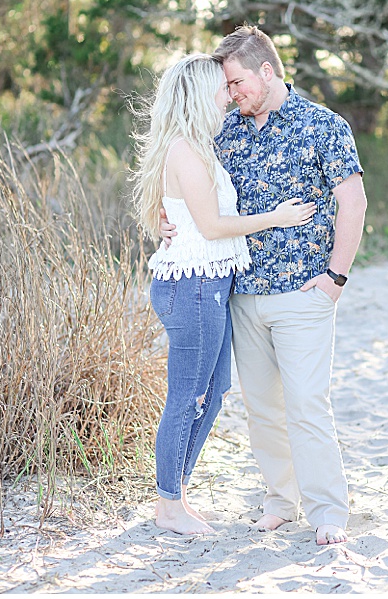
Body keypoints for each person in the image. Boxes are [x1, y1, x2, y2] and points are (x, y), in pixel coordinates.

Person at [161, 26, 367, 545]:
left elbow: (354, 202)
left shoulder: (324, 125)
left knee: (306, 403)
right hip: (241, 292)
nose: (232, 94)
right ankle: (281, 498)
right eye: (227, 87)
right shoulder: (225, 130)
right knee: (262, 406)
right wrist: (165, 222)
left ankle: (326, 510)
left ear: (266, 71)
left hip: (304, 292)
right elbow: (182, 182)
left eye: (236, 83)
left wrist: (335, 277)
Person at [132, 53, 316, 535]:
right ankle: (168, 504)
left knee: (213, 395)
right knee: (187, 396)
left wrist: (162, 217)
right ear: (198, 95)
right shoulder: (185, 150)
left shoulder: (199, 145)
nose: (229, 95)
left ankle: (177, 496)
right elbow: (212, 226)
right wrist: (276, 217)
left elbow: (179, 210)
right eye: (220, 88)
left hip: (210, 284)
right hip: (192, 285)